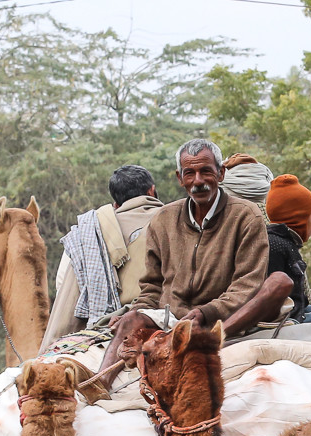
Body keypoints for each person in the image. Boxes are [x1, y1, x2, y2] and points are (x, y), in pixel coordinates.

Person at [102, 139, 292, 368]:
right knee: (131, 320)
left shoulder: (246, 216)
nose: (198, 181)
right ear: (179, 178)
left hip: (224, 318)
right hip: (173, 319)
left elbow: (247, 284)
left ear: (221, 173)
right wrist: (132, 313)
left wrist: (205, 312)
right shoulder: (163, 220)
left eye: (206, 171)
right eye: (189, 173)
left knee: (280, 281)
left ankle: (212, 341)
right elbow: (152, 285)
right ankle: (99, 383)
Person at [40, 164, 165, 348]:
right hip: (159, 323)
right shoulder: (174, 220)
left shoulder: (89, 231)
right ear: (152, 191)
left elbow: (62, 287)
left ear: (115, 203)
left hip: (103, 331)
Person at [264, 174, 311, 321]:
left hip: (299, 312)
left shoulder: (283, 242)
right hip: (291, 320)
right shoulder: (276, 246)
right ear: (297, 217)